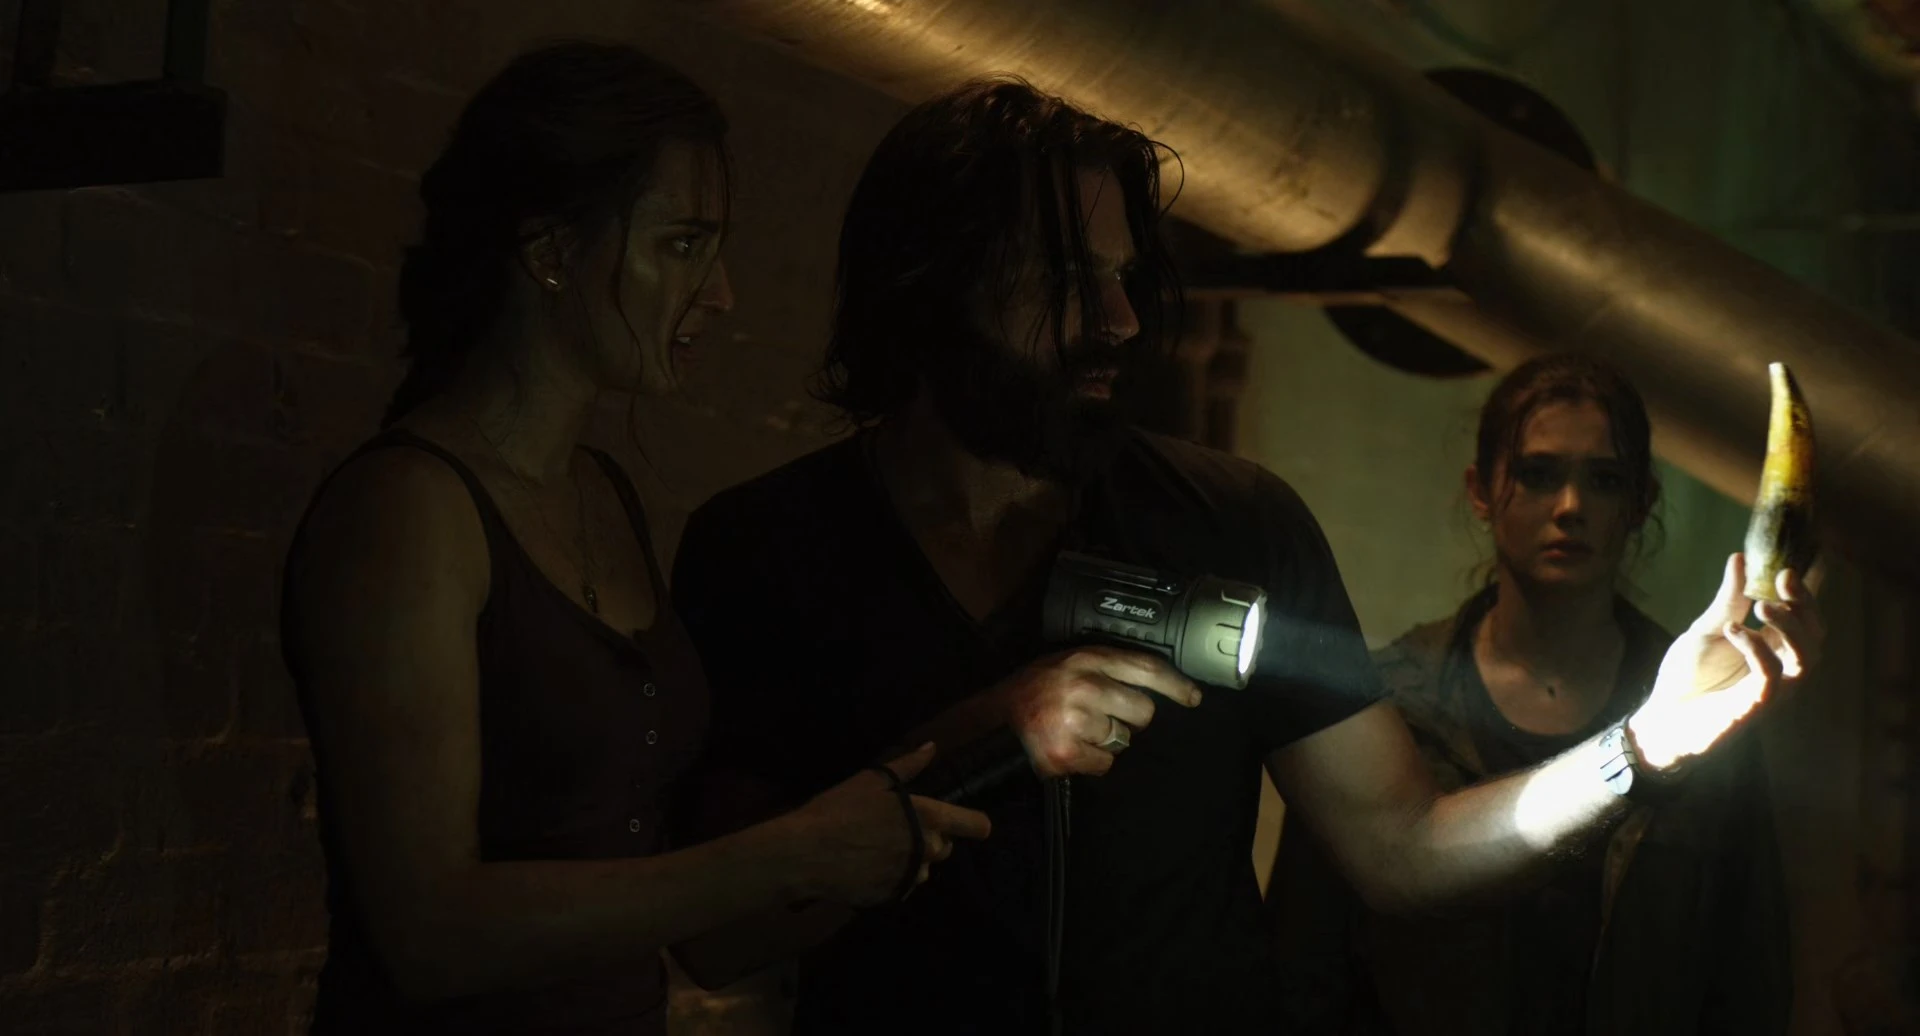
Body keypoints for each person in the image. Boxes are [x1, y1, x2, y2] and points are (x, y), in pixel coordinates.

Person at [669, 77, 1821, 1035]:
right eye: (1068, 281)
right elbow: (718, 936)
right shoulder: (767, 547)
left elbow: (1401, 845)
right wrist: (985, 740)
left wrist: (1642, 742)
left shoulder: (1230, 523)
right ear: (933, 285)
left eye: (1125, 278)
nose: (1120, 321)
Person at [280, 42, 989, 1035]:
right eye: (684, 244)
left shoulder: (601, 493)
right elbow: (430, 931)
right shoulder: (410, 508)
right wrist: (783, 854)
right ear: (551, 251)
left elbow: (660, 890)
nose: (723, 292)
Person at [1265, 354, 1792, 1036]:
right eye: (1538, 474)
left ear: (1641, 502)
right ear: (1481, 491)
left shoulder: (1706, 708)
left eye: (1604, 479)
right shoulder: (1391, 698)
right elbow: (1303, 960)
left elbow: (1749, 973)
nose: (1570, 508)